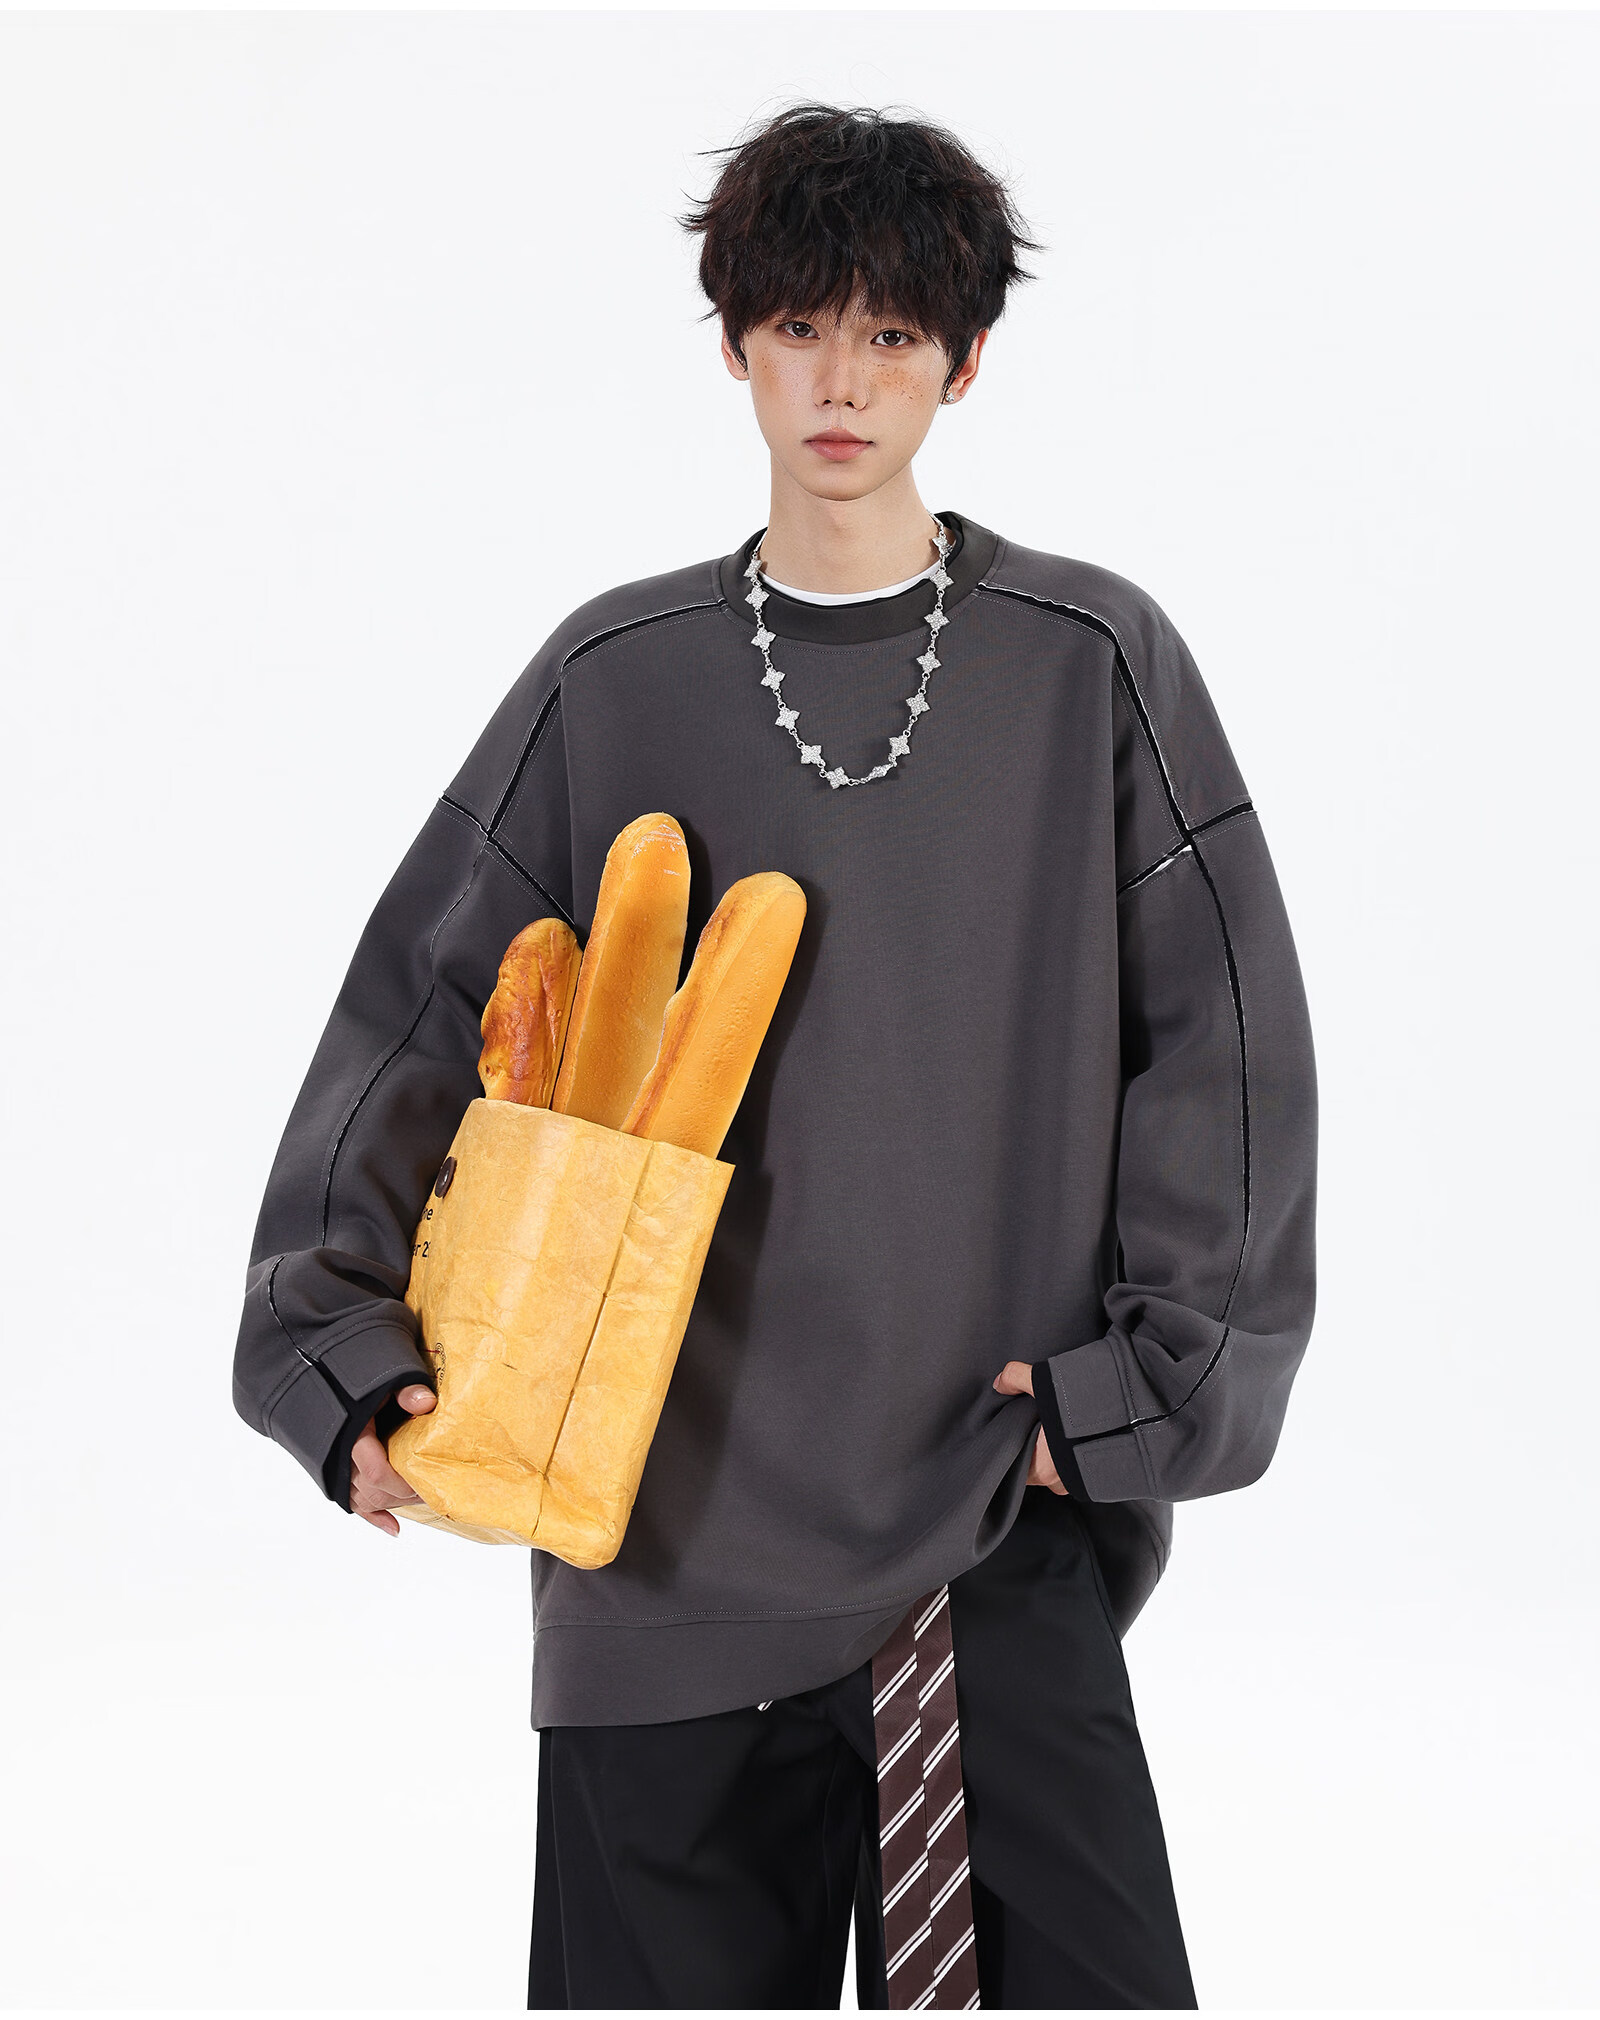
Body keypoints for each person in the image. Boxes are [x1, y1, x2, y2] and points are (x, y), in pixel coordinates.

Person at [234, 102, 1318, 2010]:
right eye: (802, 326)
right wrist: (339, 1352)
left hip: (981, 1520)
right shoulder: (613, 677)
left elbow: (1224, 1052)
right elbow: (415, 1011)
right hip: (655, 1547)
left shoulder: (1089, 660)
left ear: (965, 364)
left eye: (893, 334)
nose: (842, 379)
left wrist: (1144, 1392)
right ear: (734, 342)